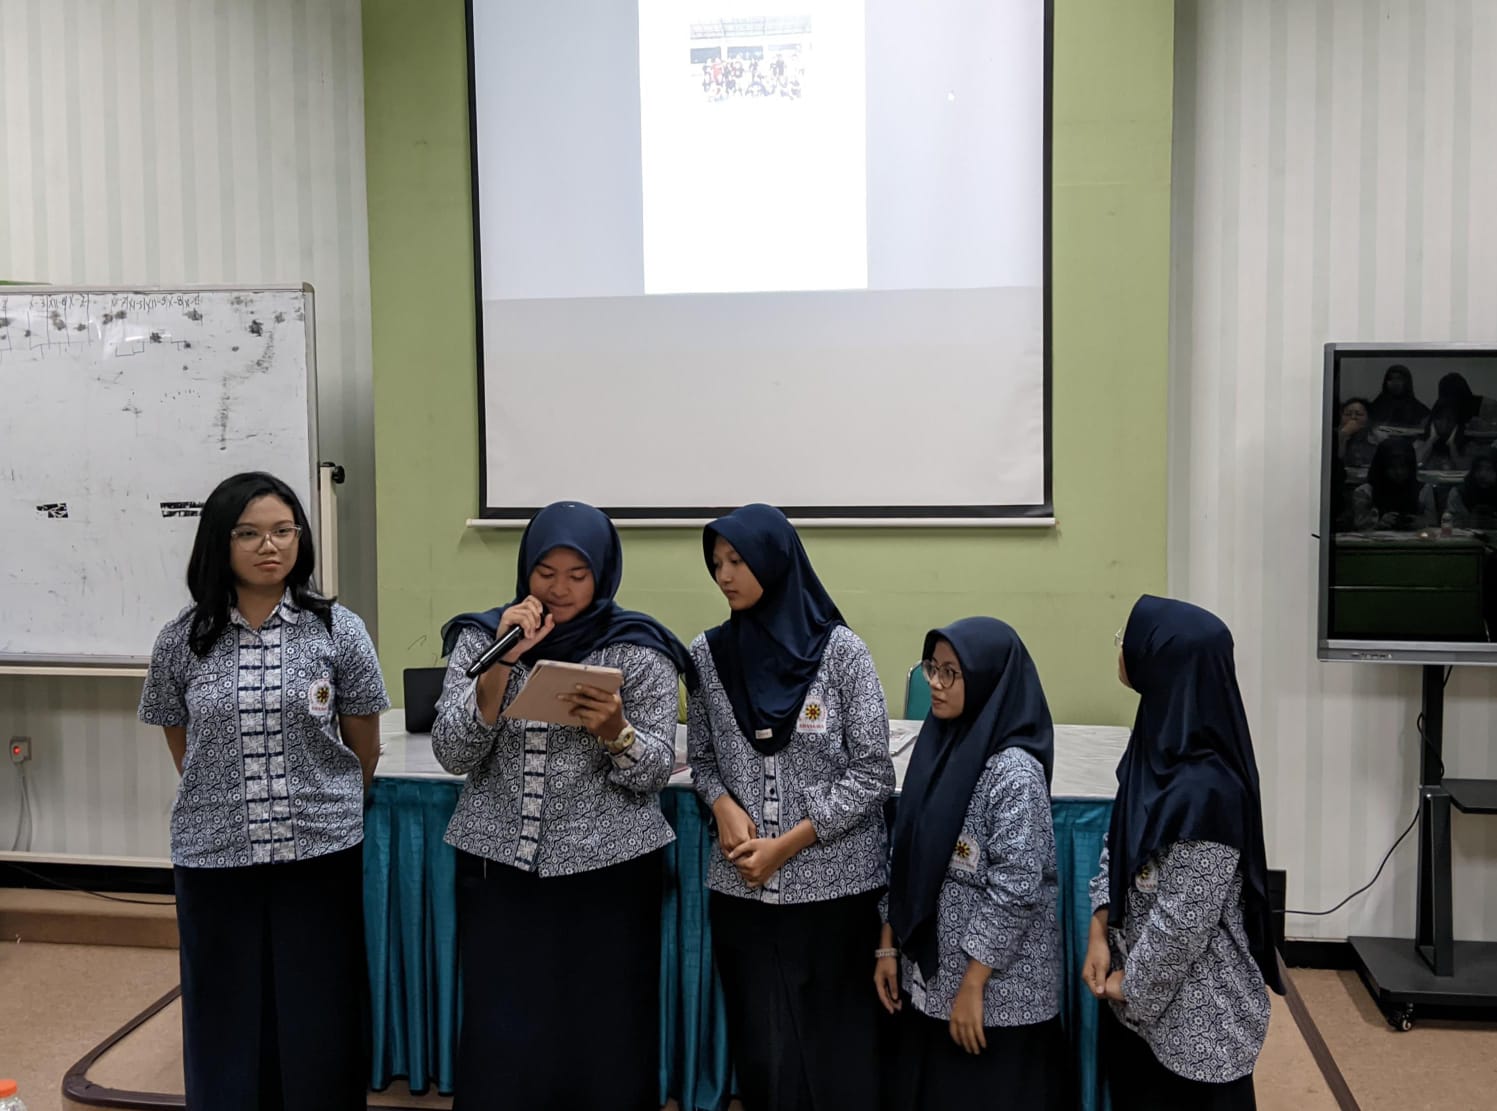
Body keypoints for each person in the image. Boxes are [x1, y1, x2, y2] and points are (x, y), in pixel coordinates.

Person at [431, 501, 695, 1111]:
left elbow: (655, 771)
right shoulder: (483, 636)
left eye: (578, 574)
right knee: (505, 1027)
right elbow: (453, 752)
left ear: (603, 574)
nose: (561, 588)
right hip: (504, 867)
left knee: (603, 1027)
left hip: (610, 874)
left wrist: (617, 731)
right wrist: (499, 665)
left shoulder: (638, 648)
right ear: (526, 570)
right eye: (546, 572)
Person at [138, 472, 387, 1111]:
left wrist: (330, 809)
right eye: (248, 533)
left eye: (282, 531)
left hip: (319, 851)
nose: (268, 546)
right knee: (224, 1004)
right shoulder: (182, 638)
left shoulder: (338, 630)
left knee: (319, 1006)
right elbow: (182, 742)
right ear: (220, 543)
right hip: (216, 851)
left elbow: (363, 743)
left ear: (300, 539)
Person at [687, 503, 895, 1110]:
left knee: (836, 1056)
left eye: (737, 560)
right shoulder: (707, 655)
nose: (724, 575)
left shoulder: (842, 653)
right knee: (764, 1053)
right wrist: (721, 801)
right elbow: (700, 758)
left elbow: (873, 772)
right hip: (742, 889)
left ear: (776, 562)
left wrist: (789, 842)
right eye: (716, 563)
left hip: (834, 892)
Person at [1084, 596, 1281, 1111]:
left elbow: (1183, 921)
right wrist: (1099, 927)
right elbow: (1117, 840)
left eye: (1127, 642)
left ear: (1163, 662)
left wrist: (1132, 988)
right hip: (1140, 1010)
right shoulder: (1156, 738)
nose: (1121, 652)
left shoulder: (1209, 789)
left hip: (1200, 1028)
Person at [878, 619, 1070, 1110]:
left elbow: (1017, 888)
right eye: (932, 669)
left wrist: (973, 984)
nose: (935, 685)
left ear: (988, 680)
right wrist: (888, 943)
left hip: (996, 997)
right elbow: (906, 850)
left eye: (951, 673)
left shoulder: (1014, 772)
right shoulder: (938, 743)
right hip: (935, 983)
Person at [1352, 437, 1437, 530]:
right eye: (1392, 467)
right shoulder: (1365, 492)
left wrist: (1422, 523)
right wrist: (1377, 523)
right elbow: (1358, 526)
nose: (1399, 472)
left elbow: (1433, 523)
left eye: (1403, 466)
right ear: (1382, 467)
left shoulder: (1424, 491)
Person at [1415, 399, 1482, 471]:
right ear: (1433, 419)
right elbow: (1416, 462)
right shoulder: (1421, 441)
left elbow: (1465, 469)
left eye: (1450, 419)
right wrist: (1431, 440)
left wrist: (1452, 445)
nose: (1444, 424)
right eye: (1440, 418)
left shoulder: (1469, 444)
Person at [1366, 364, 1430, 428]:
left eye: (1399, 378)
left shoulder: (1419, 410)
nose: (1395, 382)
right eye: (1391, 379)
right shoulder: (1377, 406)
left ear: (1406, 382)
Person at [1446, 450, 1497, 529]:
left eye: (1489, 469)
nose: (1483, 473)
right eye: (1479, 469)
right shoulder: (1459, 493)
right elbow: (1454, 523)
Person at [1334, 397, 1379, 468]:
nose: (1353, 417)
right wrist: (1343, 435)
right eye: (1348, 414)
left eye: (1359, 414)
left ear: (1369, 418)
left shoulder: (1378, 438)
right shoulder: (1331, 436)